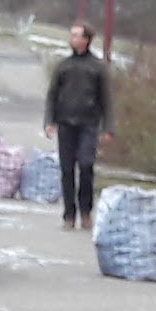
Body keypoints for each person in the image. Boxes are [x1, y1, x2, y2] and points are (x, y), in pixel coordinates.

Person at [44, 22, 115, 230]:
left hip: (88, 124)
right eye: (71, 35)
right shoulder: (63, 66)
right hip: (65, 123)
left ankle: (85, 211)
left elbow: (106, 100)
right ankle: (68, 214)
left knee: (85, 165)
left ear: (86, 40)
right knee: (66, 169)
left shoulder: (97, 67)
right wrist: (49, 121)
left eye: (76, 35)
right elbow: (52, 96)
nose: (72, 38)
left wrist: (108, 127)